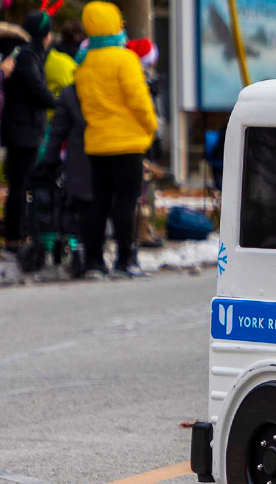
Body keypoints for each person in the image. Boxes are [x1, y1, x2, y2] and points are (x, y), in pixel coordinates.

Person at [74, 1, 156, 278]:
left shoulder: (83, 63)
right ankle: (125, 260)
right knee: (126, 202)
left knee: (99, 203)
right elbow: (140, 102)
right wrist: (151, 127)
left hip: (97, 143)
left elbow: (86, 106)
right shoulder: (125, 59)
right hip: (128, 143)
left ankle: (94, 261)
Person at [2, 11, 57, 254]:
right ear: (44, 35)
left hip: (21, 127)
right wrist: (60, 103)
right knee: (20, 184)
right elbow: (37, 90)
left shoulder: (27, 53)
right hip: (23, 130)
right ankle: (15, 236)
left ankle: (17, 233)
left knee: (20, 184)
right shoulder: (27, 55)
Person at [38, 78, 90, 264]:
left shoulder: (70, 93)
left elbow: (57, 129)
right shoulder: (116, 87)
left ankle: (76, 245)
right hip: (104, 158)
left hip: (75, 161)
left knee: (75, 201)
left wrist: (49, 160)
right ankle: (92, 251)